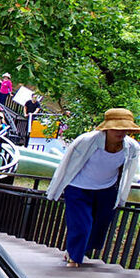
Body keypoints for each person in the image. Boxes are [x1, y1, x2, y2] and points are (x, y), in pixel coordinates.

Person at [45, 109, 140, 267]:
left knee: (99, 226)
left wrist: (120, 192)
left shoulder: (131, 147)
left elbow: (126, 171)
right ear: (107, 128)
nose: (120, 132)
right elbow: (67, 164)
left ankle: (75, 250)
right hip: (78, 188)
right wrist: (58, 186)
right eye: (116, 129)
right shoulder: (87, 141)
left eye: (124, 129)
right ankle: (75, 258)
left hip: (107, 189)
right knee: (82, 224)